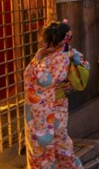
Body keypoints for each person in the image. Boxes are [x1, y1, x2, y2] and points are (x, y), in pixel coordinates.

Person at [24, 20, 88, 168]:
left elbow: (35, 78)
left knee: (45, 146)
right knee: (60, 146)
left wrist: (37, 58)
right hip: (56, 106)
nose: (40, 41)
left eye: (43, 39)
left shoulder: (59, 58)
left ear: (53, 42)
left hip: (50, 108)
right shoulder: (63, 53)